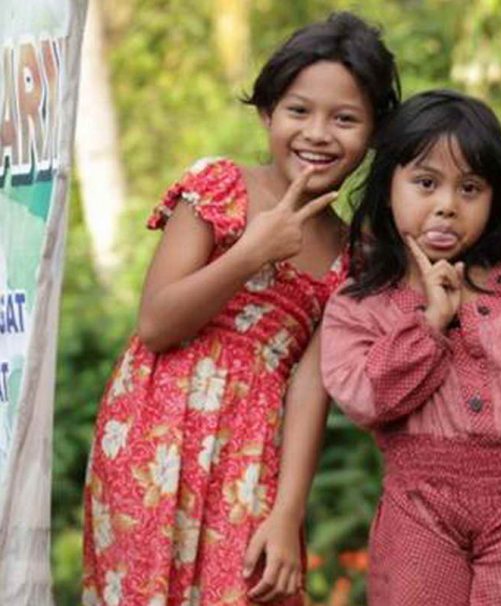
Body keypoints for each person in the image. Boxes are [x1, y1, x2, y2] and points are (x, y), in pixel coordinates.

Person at [81, 12, 400, 606]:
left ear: (375, 132)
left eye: (346, 118)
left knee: (251, 589)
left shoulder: (354, 255)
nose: (319, 133)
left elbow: (312, 384)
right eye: (298, 111)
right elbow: (155, 325)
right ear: (266, 114)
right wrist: (249, 253)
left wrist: (288, 513)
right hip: (153, 427)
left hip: (255, 447)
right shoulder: (221, 185)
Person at [319, 89, 501, 606]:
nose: (447, 206)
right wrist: (431, 322)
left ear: (495, 198)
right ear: (389, 188)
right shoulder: (358, 304)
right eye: (426, 183)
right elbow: (364, 399)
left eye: (470, 188)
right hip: (418, 506)